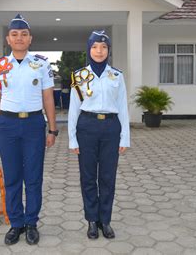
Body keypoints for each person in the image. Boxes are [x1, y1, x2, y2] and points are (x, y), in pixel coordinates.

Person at [0, 14, 58, 245]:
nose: (19, 38)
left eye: (24, 34)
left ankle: (31, 223)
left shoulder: (41, 63)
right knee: (12, 178)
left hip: (33, 125)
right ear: (8, 39)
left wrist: (52, 129)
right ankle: (16, 224)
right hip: (7, 126)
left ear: (30, 39)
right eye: (15, 34)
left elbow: (48, 98)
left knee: (34, 178)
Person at [68, 30, 130, 239]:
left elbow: (123, 107)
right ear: (89, 49)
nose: (99, 51)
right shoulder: (79, 76)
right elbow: (73, 109)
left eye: (103, 47)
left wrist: (125, 137)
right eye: (95, 46)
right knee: (87, 177)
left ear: (108, 50)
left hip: (111, 129)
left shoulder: (117, 76)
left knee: (107, 177)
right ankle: (92, 221)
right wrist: (72, 138)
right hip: (86, 127)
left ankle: (106, 221)